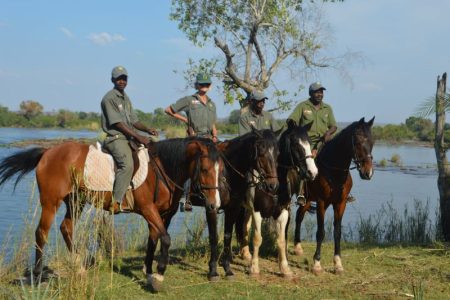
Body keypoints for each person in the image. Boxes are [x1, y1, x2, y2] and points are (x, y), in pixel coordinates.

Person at [101, 66, 158, 214]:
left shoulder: (126, 98)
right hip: (116, 138)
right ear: (112, 80)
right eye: (119, 78)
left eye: (124, 78)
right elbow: (117, 123)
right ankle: (116, 201)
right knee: (127, 165)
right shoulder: (109, 98)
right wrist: (138, 136)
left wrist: (146, 130)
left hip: (128, 137)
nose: (122, 81)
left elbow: (133, 120)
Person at [288, 82, 355, 207]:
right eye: (316, 92)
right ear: (311, 93)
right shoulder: (303, 106)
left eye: (321, 92)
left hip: (326, 142)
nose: (319, 94)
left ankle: (346, 190)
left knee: (341, 159)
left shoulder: (327, 108)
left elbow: (334, 126)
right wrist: (295, 127)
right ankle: (301, 193)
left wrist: (328, 133)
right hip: (308, 143)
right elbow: (292, 120)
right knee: (306, 162)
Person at [164, 72, 218, 211]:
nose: (204, 86)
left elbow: (213, 123)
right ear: (197, 85)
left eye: (206, 84)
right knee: (191, 165)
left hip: (209, 139)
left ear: (210, 86)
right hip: (194, 138)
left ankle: (220, 195)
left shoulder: (212, 104)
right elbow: (169, 110)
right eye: (202, 84)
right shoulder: (189, 100)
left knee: (220, 163)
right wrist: (185, 120)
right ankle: (186, 198)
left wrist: (215, 135)